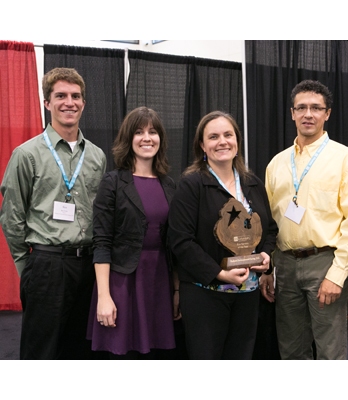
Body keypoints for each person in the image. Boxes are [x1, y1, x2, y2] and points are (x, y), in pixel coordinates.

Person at [0, 67, 106, 359]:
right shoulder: (27, 154)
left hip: (87, 266)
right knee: (41, 352)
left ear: (83, 103)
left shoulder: (97, 156)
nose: (68, 102)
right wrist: (28, 270)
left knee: (81, 351)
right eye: (60, 95)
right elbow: (11, 217)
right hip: (46, 264)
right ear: (47, 103)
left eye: (75, 96)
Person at [262, 80, 348, 360]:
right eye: (302, 107)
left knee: (329, 351)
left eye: (316, 108)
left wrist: (337, 275)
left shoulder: (345, 160)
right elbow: (271, 223)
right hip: (284, 265)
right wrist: (270, 270)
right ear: (292, 113)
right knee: (291, 350)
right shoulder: (276, 164)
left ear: (327, 113)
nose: (308, 114)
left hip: (325, 264)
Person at [168, 111, 278, 359]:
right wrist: (219, 273)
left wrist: (265, 255)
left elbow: (270, 229)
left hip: (247, 295)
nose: (222, 142)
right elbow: (181, 241)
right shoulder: (191, 185)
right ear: (202, 145)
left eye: (228, 135)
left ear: (237, 142)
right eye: (214, 137)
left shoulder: (252, 183)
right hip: (205, 294)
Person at [86, 106, 180, 359]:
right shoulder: (113, 182)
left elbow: (175, 244)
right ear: (129, 139)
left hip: (159, 280)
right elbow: (102, 242)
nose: (147, 138)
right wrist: (104, 297)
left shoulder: (170, 185)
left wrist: (177, 290)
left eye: (152, 131)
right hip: (122, 283)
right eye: (139, 132)